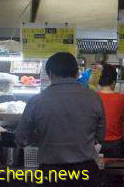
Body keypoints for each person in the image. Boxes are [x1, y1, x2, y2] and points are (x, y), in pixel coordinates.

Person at [14, 52, 105, 187]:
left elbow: (21, 139)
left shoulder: (37, 101)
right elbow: (100, 135)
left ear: (50, 73)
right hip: (86, 172)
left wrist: (40, 137)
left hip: (51, 174)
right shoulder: (93, 98)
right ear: (76, 73)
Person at [97, 63, 124, 158]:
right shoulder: (122, 98)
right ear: (114, 82)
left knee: (97, 170)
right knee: (116, 170)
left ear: (99, 81)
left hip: (96, 143)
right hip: (115, 145)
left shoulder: (93, 97)